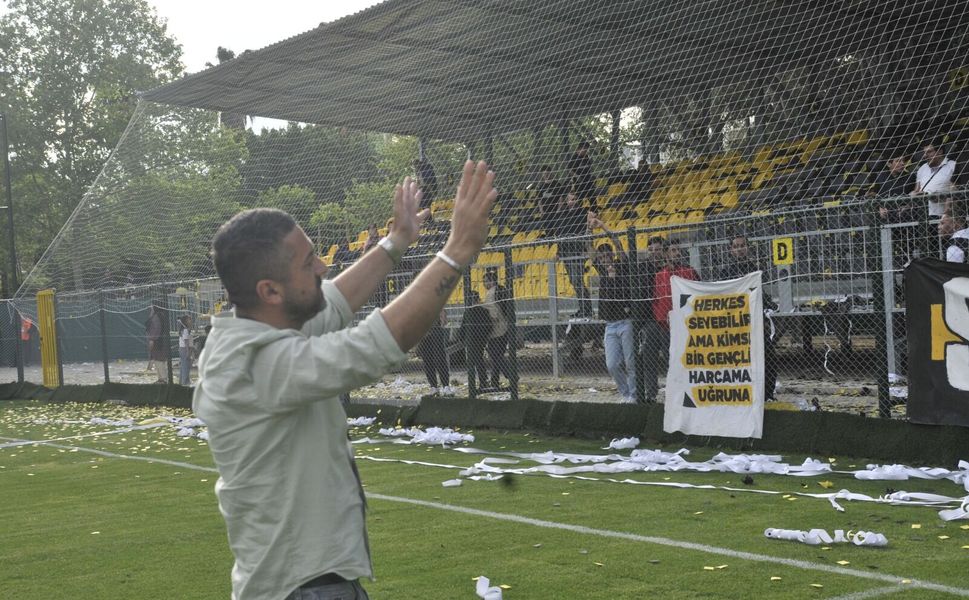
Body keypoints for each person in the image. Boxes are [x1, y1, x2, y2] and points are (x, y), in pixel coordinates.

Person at [193, 161, 495, 600]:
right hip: (300, 589)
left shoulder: (262, 327)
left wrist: (396, 243)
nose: (322, 266)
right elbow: (373, 345)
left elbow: (332, 301)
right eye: (308, 261)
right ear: (269, 292)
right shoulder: (252, 362)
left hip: (309, 584)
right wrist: (458, 250)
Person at [717, 236, 778, 401]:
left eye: (742, 246)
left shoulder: (756, 269)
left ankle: (768, 395)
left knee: (768, 358)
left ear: (747, 248)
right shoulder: (725, 272)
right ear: (731, 250)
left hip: (756, 321)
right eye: (736, 246)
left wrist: (768, 303)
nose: (739, 249)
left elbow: (759, 292)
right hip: (736, 324)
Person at [588, 216, 635, 403]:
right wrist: (589, 230)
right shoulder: (602, 271)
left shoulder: (622, 267)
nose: (605, 260)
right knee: (612, 364)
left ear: (612, 256)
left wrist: (603, 226)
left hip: (625, 321)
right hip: (610, 324)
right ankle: (624, 392)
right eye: (602, 258)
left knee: (631, 362)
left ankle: (633, 394)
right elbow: (589, 251)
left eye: (607, 256)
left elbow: (618, 243)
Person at [634, 236, 671, 404]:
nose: (655, 253)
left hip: (669, 319)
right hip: (650, 319)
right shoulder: (642, 269)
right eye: (651, 250)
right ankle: (651, 394)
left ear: (663, 251)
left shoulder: (671, 268)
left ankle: (675, 390)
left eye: (658, 249)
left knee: (672, 356)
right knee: (649, 357)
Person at [549, 193, 593, 317]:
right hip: (566, 253)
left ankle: (586, 309)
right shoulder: (563, 216)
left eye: (574, 199)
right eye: (569, 200)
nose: (571, 202)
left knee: (577, 281)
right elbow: (561, 235)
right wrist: (559, 252)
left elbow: (588, 232)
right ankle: (583, 308)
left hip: (578, 252)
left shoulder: (583, 214)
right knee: (574, 281)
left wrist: (586, 248)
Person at [482, 267, 513, 390]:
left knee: (495, 355)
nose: (484, 284)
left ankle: (511, 375)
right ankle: (494, 381)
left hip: (496, 330)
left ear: (491, 281)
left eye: (486, 281)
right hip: (505, 326)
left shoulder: (491, 294)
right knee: (497, 355)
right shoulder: (502, 290)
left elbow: (493, 314)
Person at [456, 290, 492, 391]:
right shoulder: (484, 311)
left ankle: (480, 380)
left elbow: (463, 326)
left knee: (474, 360)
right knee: (478, 358)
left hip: (471, 339)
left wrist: (461, 338)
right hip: (480, 339)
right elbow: (489, 325)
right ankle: (483, 380)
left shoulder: (468, 311)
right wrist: (485, 336)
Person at [912, 140, 957, 217]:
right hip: (924, 215)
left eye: (929, 152)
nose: (925, 156)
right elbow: (917, 189)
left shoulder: (952, 165)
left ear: (940, 151)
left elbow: (957, 190)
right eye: (924, 153)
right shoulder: (922, 168)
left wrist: (939, 197)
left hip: (945, 215)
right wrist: (914, 194)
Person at [417, 309, 452, 396]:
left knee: (439, 358)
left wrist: (442, 322)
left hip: (435, 330)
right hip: (423, 332)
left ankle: (445, 386)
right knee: (427, 360)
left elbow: (441, 309)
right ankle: (433, 387)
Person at [870, 153, 913, 221]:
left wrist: (907, 206)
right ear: (889, 164)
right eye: (898, 161)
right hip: (886, 217)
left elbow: (914, 196)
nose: (902, 163)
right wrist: (879, 207)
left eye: (903, 161)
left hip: (905, 216)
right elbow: (873, 193)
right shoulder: (881, 177)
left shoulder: (910, 177)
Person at [145, 305, 169, 383]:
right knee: (158, 360)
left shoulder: (156, 317)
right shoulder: (162, 315)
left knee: (159, 360)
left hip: (158, 342)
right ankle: (161, 378)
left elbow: (156, 329)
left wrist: (152, 339)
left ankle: (163, 378)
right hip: (160, 341)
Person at [177, 314, 193, 386]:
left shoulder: (184, 329)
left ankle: (182, 381)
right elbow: (186, 341)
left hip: (182, 348)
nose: (191, 321)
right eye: (189, 319)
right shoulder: (185, 330)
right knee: (186, 365)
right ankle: (185, 382)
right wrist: (188, 351)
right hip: (185, 349)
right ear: (185, 321)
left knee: (183, 365)